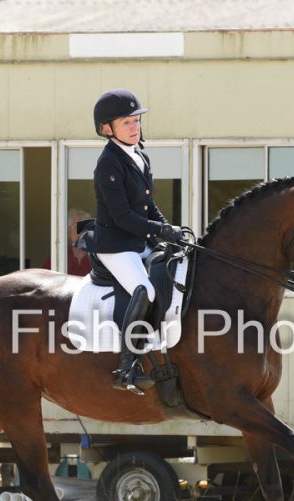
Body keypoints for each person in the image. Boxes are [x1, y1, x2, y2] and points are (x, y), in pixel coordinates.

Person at [88, 88, 185, 394]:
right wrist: (160, 231)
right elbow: (122, 216)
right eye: (126, 123)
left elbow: (147, 205)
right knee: (145, 290)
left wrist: (169, 230)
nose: (134, 127)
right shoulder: (108, 163)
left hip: (139, 241)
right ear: (108, 129)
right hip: (115, 244)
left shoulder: (139, 156)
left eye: (136, 121)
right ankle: (126, 368)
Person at [43, 208, 92, 276]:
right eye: (76, 227)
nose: (81, 232)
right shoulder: (59, 257)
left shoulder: (97, 258)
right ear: (68, 232)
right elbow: (44, 279)